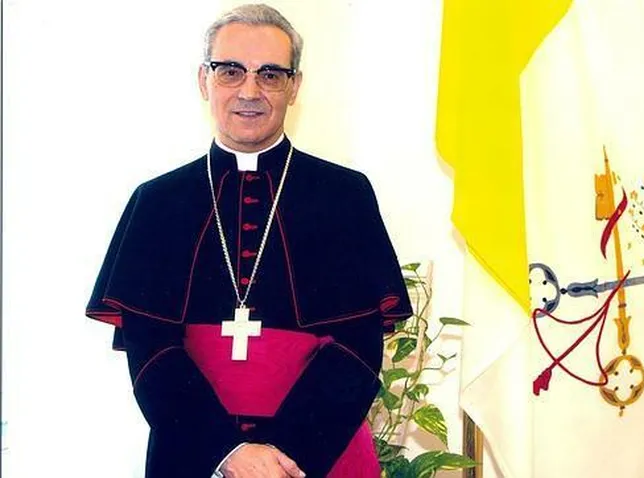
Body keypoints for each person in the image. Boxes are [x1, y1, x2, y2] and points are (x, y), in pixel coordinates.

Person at [85, 4, 412, 477]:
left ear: (294, 87)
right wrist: (228, 452)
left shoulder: (344, 196)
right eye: (231, 71)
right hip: (193, 451)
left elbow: (358, 349)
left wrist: (283, 459)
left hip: (318, 454)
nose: (249, 91)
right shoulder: (157, 202)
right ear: (204, 80)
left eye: (271, 75)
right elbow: (150, 351)